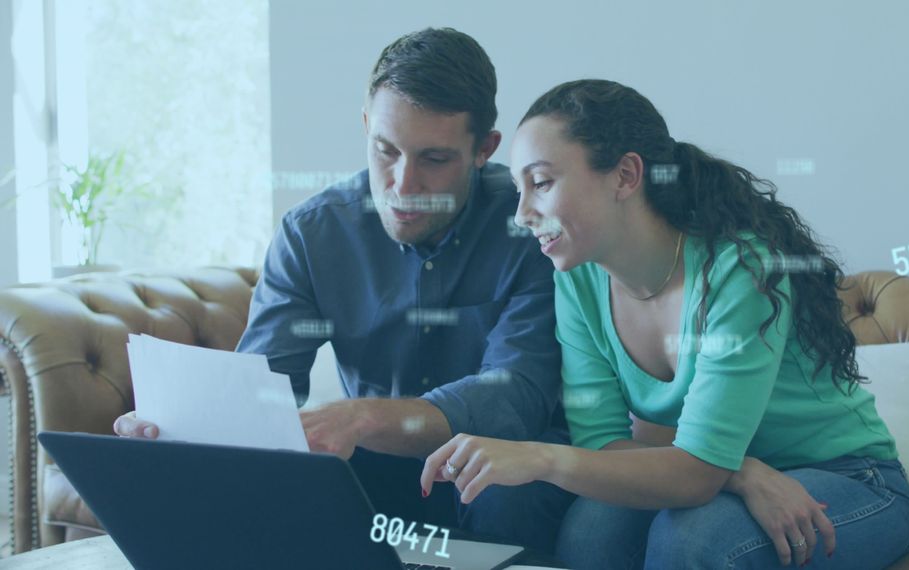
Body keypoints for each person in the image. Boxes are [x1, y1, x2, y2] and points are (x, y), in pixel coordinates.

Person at [419, 79, 909, 569]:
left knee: (695, 539)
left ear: (625, 176)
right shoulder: (577, 279)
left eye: (542, 183)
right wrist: (739, 473)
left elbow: (696, 474)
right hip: (722, 473)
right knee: (591, 529)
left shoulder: (739, 270)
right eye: (519, 190)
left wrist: (541, 458)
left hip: (853, 478)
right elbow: (602, 444)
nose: (524, 214)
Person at [113, 27, 575, 555]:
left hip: (504, 465)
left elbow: (514, 395)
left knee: (508, 492)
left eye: (434, 159)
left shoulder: (532, 226)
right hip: (380, 469)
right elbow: (265, 392)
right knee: (287, 488)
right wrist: (174, 431)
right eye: (386, 150)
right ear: (365, 126)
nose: (403, 185)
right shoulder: (312, 235)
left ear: (483, 149)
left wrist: (360, 416)